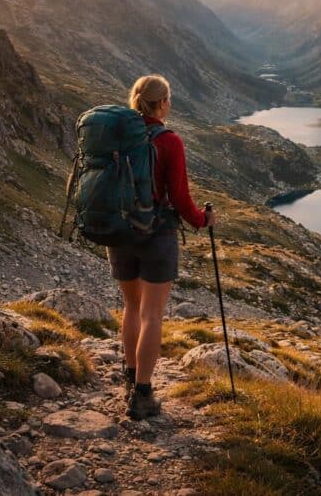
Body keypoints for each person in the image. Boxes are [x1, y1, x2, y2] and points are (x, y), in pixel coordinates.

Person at [108, 75, 215, 419]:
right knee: (152, 314)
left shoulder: (117, 134)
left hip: (119, 232)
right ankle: (142, 394)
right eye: (168, 100)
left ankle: (129, 377)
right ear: (163, 103)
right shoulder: (169, 141)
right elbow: (181, 199)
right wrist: (202, 220)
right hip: (156, 234)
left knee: (130, 306)